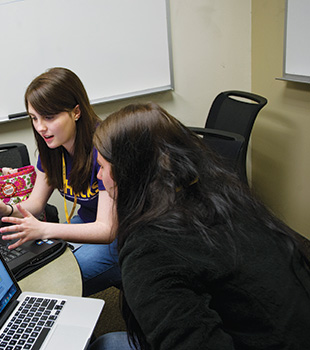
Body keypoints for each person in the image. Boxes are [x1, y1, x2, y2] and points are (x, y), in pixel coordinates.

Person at [89, 102, 310, 349]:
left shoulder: (150, 250)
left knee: (106, 344)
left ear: (130, 173)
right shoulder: (222, 194)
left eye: (104, 167)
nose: (99, 176)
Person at [0, 67, 120, 296]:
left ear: (76, 111)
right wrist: (5, 208)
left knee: (57, 281)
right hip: (85, 222)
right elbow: (35, 205)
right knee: (35, 268)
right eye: (34, 118)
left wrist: (44, 229)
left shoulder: (102, 147)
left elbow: (107, 229)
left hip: (123, 235)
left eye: (49, 117)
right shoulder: (52, 147)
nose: (41, 127)